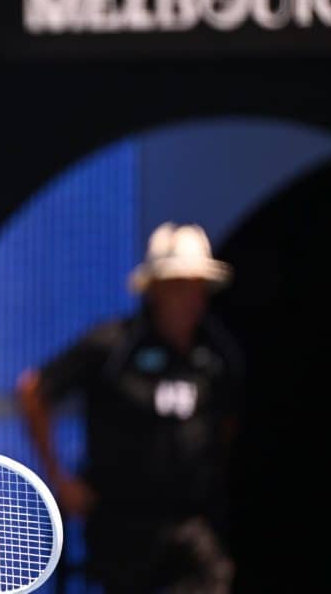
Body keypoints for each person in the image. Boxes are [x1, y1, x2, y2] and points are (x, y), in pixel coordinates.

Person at [16, 222, 244, 594]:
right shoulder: (113, 346)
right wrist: (59, 479)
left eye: (197, 286)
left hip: (193, 520)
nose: (191, 299)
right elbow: (33, 391)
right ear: (155, 290)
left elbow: (229, 422)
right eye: (179, 285)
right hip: (122, 526)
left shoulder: (218, 355)